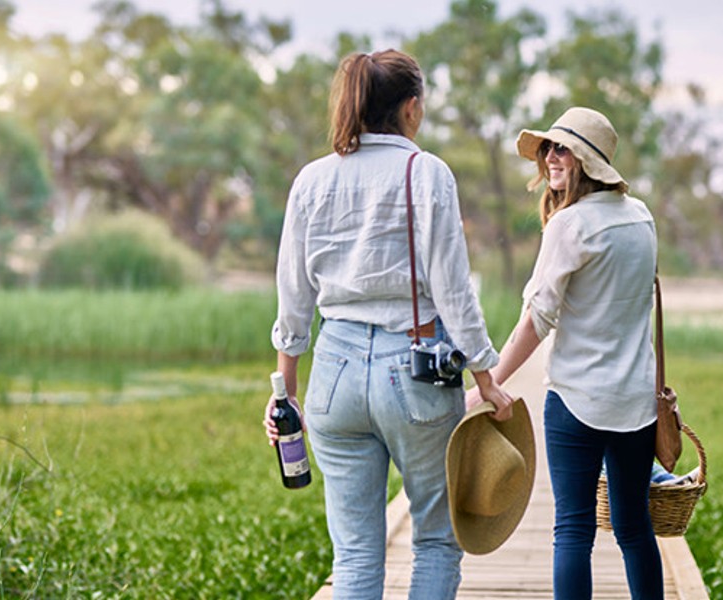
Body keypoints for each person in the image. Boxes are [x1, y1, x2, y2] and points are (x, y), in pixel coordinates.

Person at [263, 49, 514, 600]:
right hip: (416, 370)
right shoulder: (425, 173)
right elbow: (453, 290)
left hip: (334, 372)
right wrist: (486, 378)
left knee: (354, 553)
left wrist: (285, 391)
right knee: (437, 540)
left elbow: (293, 295)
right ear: (412, 107)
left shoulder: (312, 179)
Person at [465, 107, 663, 599]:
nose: (551, 158)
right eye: (548, 148)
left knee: (572, 528)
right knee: (634, 527)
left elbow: (535, 320)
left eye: (562, 149)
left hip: (576, 399)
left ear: (587, 161)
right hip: (635, 401)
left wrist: (490, 383)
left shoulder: (570, 225)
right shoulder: (641, 218)